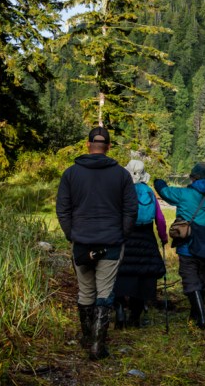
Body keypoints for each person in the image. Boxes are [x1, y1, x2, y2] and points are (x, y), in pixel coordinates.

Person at [56, 127, 137, 360]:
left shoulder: (71, 174)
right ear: (109, 147)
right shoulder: (121, 175)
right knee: (105, 293)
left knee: (85, 292)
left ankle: (86, 338)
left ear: (87, 145)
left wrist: (72, 234)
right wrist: (121, 234)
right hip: (111, 242)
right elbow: (131, 210)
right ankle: (97, 346)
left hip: (81, 241)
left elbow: (62, 208)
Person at [153, 162, 205, 330]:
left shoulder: (184, 194)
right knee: (203, 282)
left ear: (193, 177)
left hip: (187, 246)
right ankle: (194, 316)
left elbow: (165, 192)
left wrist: (158, 181)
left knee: (191, 282)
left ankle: (201, 320)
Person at [113, 159, 167, 329]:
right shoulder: (149, 192)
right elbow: (159, 218)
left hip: (125, 236)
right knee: (144, 277)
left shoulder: (122, 190)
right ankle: (134, 318)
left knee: (119, 274)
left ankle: (120, 311)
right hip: (146, 237)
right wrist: (163, 237)